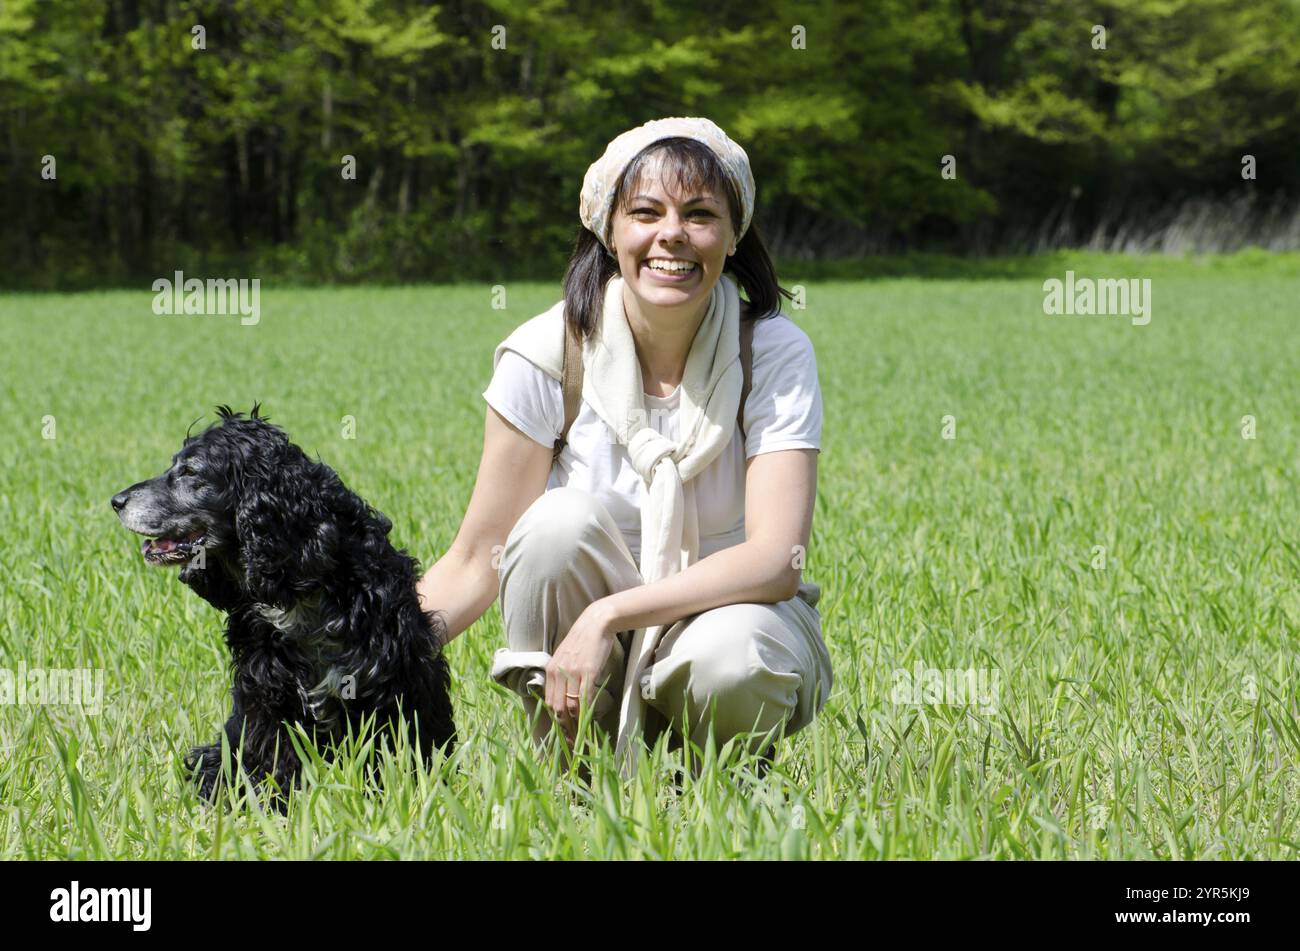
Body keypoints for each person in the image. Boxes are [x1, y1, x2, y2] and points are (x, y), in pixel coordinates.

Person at [417, 117, 833, 779]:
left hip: (725, 623)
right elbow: (476, 558)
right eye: (646, 212)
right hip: (589, 657)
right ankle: (576, 775)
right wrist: (361, 656)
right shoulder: (547, 352)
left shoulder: (773, 351)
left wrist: (609, 614)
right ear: (609, 229)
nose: (672, 234)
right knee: (555, 527)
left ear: (733, 235)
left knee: (733, 657)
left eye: (700, 214)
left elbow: (776, 559)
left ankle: (722, 786)